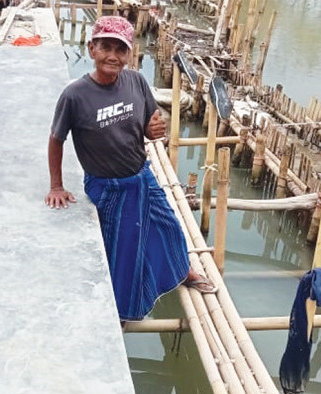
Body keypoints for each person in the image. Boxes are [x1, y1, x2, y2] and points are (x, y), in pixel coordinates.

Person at [45, 16, 217, 322]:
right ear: (92, 49)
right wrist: (56, 185)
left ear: (129, 53)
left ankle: (181, 271)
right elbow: (56, 139)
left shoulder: (136, 81)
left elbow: (153, 126)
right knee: (124, 248)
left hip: (141, 175)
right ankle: (122, 311)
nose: (113, 55)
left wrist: (156, 129)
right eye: (106, 47)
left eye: (120, 49)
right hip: (107, 186)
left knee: (169, 227)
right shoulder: (75, 95)